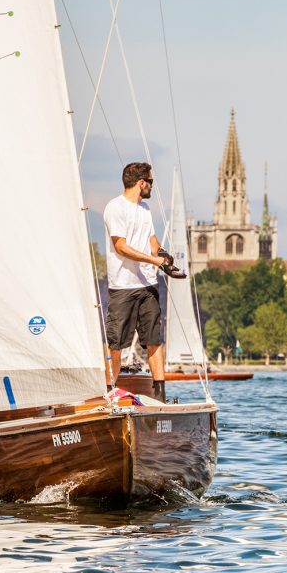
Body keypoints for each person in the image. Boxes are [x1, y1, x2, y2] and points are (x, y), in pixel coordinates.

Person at [103, 162, 178, 401]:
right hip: (123, 287)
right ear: (141, 182)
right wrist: (153, 261)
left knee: (154, 340)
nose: (152, 187)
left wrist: (163, 255)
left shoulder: (144, 210)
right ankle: (109, 392)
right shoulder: (115, 208)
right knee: (116, 343)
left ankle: (160, 394)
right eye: (151, 182)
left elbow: (152, 240)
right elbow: (121, 246)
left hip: (147, 284)